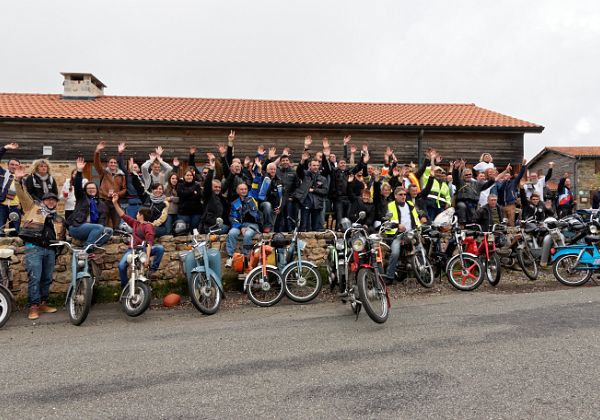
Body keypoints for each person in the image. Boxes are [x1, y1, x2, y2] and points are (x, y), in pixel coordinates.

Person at [14, 164, 66, 320]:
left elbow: (62, 238)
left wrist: (58, 251)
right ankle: (33, 307)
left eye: (53, 200)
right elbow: (22, 194)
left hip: (50, 250)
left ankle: (43, 302)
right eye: (48, 199)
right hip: (34, 248)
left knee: (47, 278)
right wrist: (18, 179)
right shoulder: (32, 207)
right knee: (35, 277)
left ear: (56, 203)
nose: (51, 202)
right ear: (43, 201)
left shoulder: (58, 218)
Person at [112, 193, 164, 284]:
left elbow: (149, 243)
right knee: (121, 266)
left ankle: (152, 270)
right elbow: (122, 215)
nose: (136, 215)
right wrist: (115, 203)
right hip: (132, 250)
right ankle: (125, 287)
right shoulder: (135, 223)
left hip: (143, 249)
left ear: (141, 215)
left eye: (137, 213)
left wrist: (147, 258)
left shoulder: (148, 226)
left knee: (160, 248)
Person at [67, 158, 113, 247]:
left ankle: (92, 246)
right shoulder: (82, 198)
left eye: (93, 188)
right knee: (98, 227)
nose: (91, 190)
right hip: (77, 227)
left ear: (97, 190)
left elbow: (102, 221)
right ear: (85, 190)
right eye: (89, 188)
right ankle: (87, 247)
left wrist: (100, 230)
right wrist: (79, 171)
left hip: (93, 229)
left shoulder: (101, 204)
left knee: (109, 231)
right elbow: (77, 186)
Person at [383, 186, 421, 282]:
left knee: (420, 249)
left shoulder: (410, 204)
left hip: (411, 233)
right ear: (395, 196)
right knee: (395, 253)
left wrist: (420, 225)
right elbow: (385, 220)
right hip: (397, 234)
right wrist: (397, 225)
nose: (403, 196)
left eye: (404, 194)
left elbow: (416, 217)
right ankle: (389, 277)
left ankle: (423, 271)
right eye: (400, 194)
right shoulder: (390, 205)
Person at [225, 183, 262, 268]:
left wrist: (258, 173)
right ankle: (230, 257)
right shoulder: (235, 203)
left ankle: (246, 258)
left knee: (248, 234)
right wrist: (241, 227)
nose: (244, 191)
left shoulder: (253, 197)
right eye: (241, 189)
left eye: (245, 189)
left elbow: (256, 185)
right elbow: (232, 217)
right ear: (237, 191)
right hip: (239, 225)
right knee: (232, 233)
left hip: (253, 225)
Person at [94, 141, 127, 228]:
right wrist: (97, 152)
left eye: (114, 162)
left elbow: (124, 189)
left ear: (117, 164)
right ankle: (102, 238)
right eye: (111, 162)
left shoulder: (121, 175)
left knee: (117, 222)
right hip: (104, 200)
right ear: (108, 164)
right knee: (103, 222)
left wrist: (117, 194)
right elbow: (97, 164)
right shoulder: (103, 172)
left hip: (116, 202)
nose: (113, 164)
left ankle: (117, 239)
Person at [294, 156, 328, 232]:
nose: (316, 167)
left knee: (315, 227)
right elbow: (299, 171)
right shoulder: (305, 175)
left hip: (317, 203)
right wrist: (302, 160)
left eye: (317, 165)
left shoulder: (323, 178)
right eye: (314, 165)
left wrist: (314, 190)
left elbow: (325, 191)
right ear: (310, 166)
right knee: (303, 226)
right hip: (306, 202)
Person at [0, 143, 22, 234]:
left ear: (19, 166)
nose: (14, 166)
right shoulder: (3, 173)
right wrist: (5, 148)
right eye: (12, 164)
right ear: (8, 165)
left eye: (16, 165)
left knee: (15, 232)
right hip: (2, 206)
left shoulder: (22, 177)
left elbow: (25, 195)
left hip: (15, 207)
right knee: (0, 231)